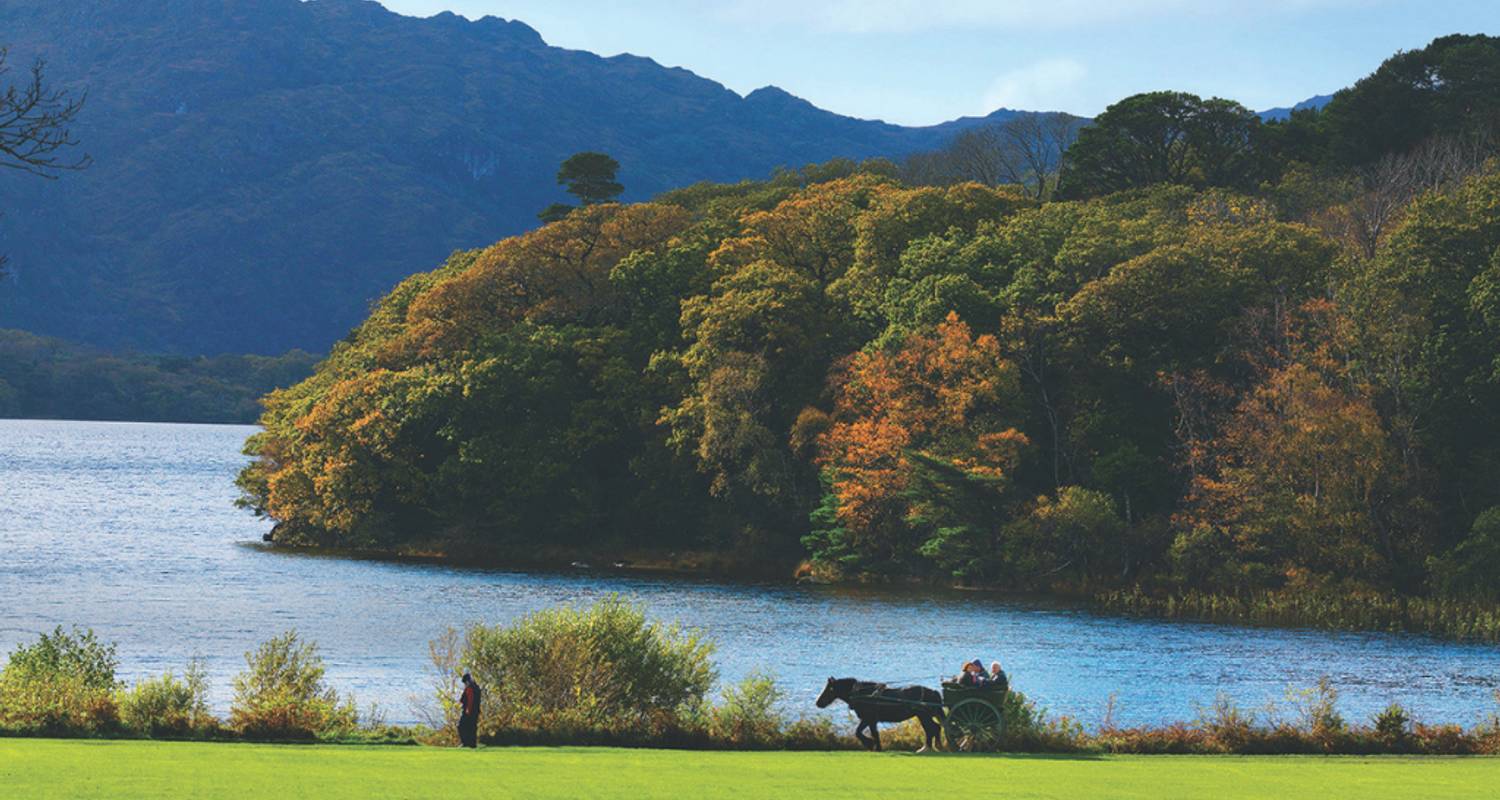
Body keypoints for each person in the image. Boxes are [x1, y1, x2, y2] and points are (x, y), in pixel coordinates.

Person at [457, 672, 482, 748]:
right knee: (472, 728)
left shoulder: (470, 688)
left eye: (465, 683)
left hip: (468, 711)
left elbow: (470, 700)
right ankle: (472, 744)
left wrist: (468, 709)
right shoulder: (476, 687)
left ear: (467, 681)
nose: (465, 684)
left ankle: (465, 743)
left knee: (461, 726)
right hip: (475, 711)